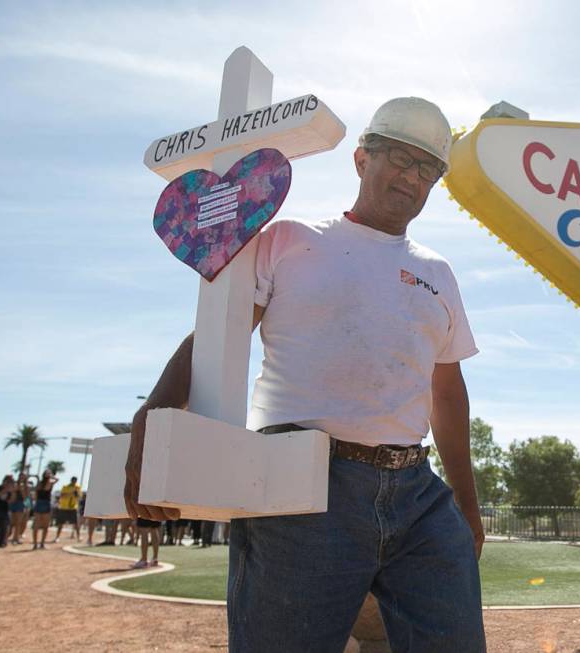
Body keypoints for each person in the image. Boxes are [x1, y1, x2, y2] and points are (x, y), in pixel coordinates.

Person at [125, 97, 487, 652]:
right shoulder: (291, 239)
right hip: (300, 481)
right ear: (362, 159)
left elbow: (447, 389)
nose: (412, 177)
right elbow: (219, 331)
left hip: (417, 489)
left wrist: (465, 499)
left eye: (427, 168)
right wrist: (155, 407)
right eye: (398, 157)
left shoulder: (438, 272)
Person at [31, 469, 57, 550]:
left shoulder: (50, 482)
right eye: (46, 473)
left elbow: (56, 480)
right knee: (36, 524)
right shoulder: (40, 483)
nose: (48, 474)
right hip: (39, 503)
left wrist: (51, 476)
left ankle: (42, 543)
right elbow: (39, 491)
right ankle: (35, 544)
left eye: (49, 473)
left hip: (47, 503)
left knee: (46, 525)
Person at [53, 476, 81, 542]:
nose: (74, 482)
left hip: (73, 508)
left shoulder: (78, 487)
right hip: (64, 507)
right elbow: (62, 495)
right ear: (71, 480)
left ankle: (78, 537)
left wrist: (76, 494)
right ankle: (57, 537)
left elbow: (79, 496)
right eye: (73, 480)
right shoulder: (65, 487)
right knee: (60, 523)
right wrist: (70, 493)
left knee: (76, 523)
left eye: (75, 480)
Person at [7, 472, 30, 545]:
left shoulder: (26, 486)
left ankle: (16, 538)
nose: (21, 478)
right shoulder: (15, 484)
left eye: (23, 476)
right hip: (13, 503)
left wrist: (27, 507)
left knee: (18, 522)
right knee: (10, 522)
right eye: (20, 476)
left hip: (21, 503)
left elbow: (26, 497)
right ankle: (6, 537)